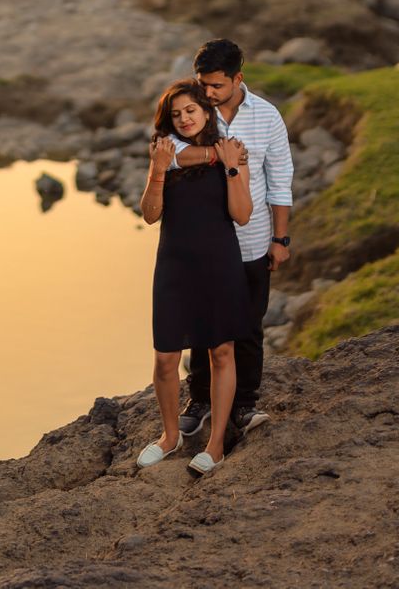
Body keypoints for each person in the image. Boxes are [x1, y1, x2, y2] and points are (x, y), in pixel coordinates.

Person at [171, 39, 294, 443]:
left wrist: (280, 238)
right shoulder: (191, 111)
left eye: (217, 86)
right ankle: (201, 400)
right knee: (203, 326)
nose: (207, 93)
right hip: (203, 241)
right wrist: (221, 158)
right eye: (203, 84)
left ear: (238, 79)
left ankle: (244, 405)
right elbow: (168, 153)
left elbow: (280, 180)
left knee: (248, 327)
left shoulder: (267, 116)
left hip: (254, 240)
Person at [137, 78, 253, 477]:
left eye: (190, 110)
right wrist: (157, 168)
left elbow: (242, 214)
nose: (184, 118)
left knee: (221, 352)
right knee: (166, 357)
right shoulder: (164, 153)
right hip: (174, 266)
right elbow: (150, 214)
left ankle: (215, 445)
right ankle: (170, 438)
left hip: (218, 263)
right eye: (176, 114)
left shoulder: (232, 152)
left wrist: (232, 166)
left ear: (206, 112)